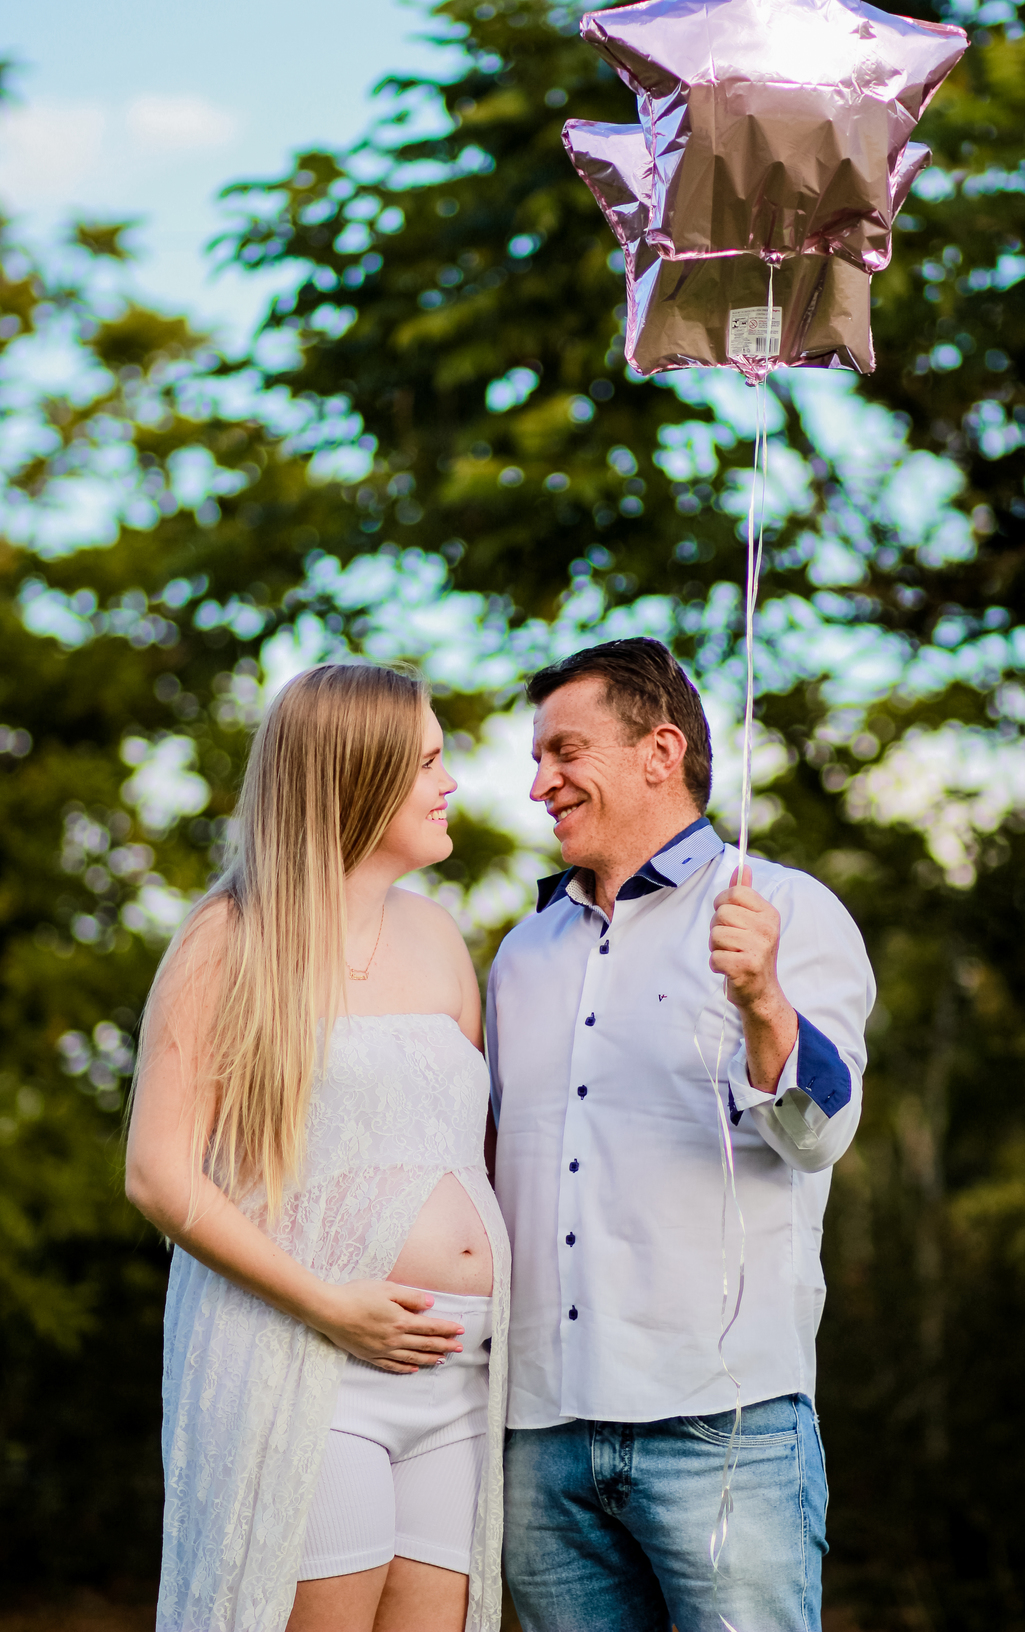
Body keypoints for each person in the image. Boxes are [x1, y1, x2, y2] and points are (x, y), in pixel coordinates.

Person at [487, 637, 874, 1632]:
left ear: (660, 752)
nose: (539, 784)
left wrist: (764, 1001)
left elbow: (819, 1138)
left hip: (725, 1428)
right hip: (539, 1434)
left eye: (565, 752)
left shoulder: (784, 910)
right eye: (537, 758)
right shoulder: (520, 955)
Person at [125, 662, 510, 1632]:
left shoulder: (440, 937)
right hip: (314, 1366)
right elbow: (158, 1174)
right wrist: (332, 1306)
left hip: (459, 1379)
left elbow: (472, 1152)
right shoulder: (229, 939)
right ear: (356, 776)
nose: (450, 782)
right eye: (427, 762)